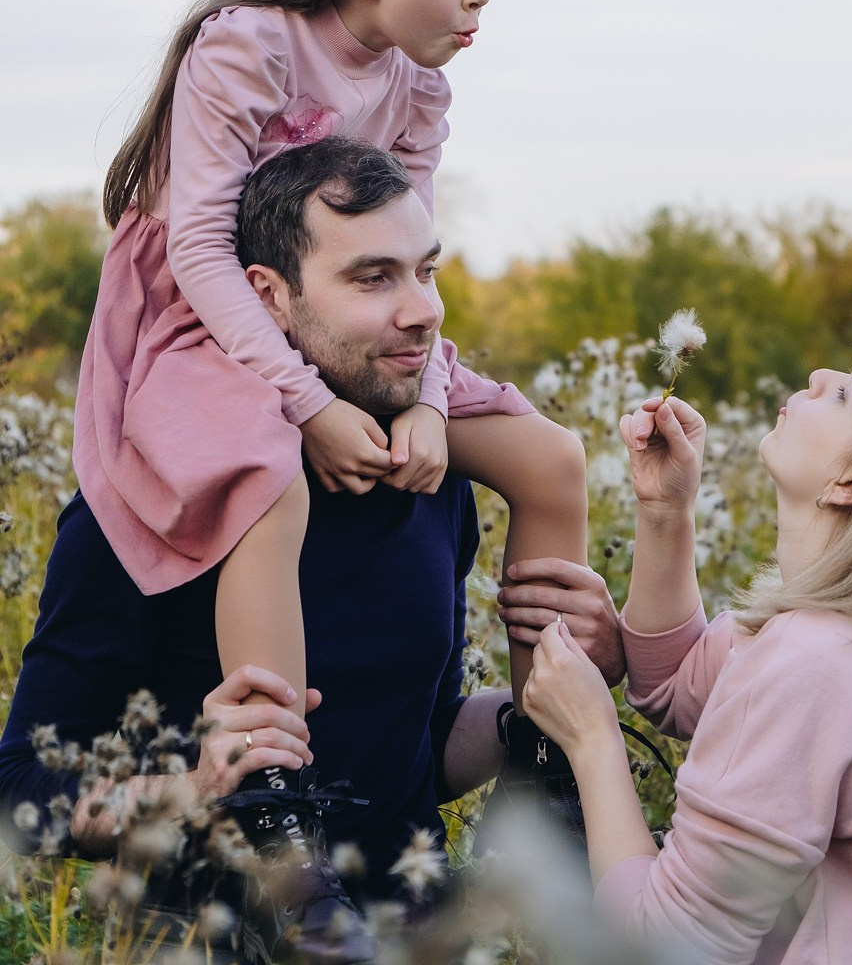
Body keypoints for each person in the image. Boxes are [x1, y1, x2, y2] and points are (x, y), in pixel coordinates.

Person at [73, 0, 587, 850]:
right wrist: (306, 405)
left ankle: (546, 751)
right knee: (268, 472)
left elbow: (411, 257)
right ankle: (271, 790)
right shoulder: (249, 44)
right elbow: (201, 253)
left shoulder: (416, 85)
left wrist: (433, 404)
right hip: (205, 312)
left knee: (550, 457)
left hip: (332, 316)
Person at [1, 139, 620, 961]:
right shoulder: (142, 507)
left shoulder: (431, 486)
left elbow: (417, 745)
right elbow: (17, 794)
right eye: (372, 278)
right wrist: (192, 787)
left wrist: (547, 712)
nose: (422, 310)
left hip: (415, 932)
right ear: (269, 297)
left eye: (424, 272)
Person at [522, 333, 852, 962]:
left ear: (851, 481)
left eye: (846, 393)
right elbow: (676, 689)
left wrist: (591, 738)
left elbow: (665, 945)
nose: (819, 370)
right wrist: (665, 510)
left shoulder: (817, 661)